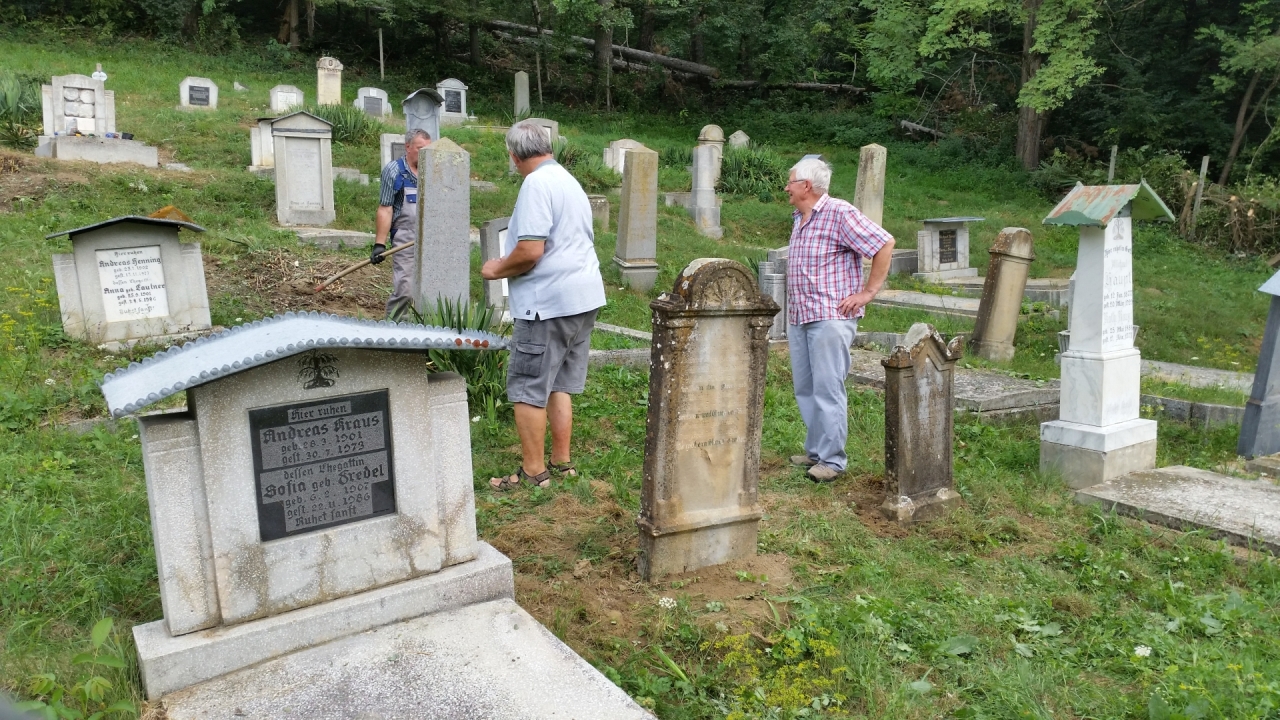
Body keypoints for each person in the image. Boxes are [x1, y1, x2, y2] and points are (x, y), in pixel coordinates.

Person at [482, 121, 607, 491]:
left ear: (513, 156)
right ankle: (562, 464)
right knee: (558, 383)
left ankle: (534, 473)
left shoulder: (535, 184)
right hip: (583, 297)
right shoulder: (568, 180)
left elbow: (530, 251)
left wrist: (496, 269)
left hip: (548, 303)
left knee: (528, 386)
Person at [784, 157, 895, 482]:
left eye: (790, 182)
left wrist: (868, 292)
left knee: (827, 387)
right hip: (801, 315)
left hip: (830, 316)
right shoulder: (800, 217)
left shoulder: (839, 212)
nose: (786, 187)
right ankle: (816, 451)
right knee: (806, 388)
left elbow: (884, 243)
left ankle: (832, 461)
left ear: (806, 186)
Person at [371, 129, 432, 319]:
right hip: (405, 238)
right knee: (405, 289)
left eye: (428, 150)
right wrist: (379, 244)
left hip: (431, 238)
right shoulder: (394, 171)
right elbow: (385, 208)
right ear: (408, 147)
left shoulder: (434, 170)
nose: (425, 154)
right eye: (420, 149)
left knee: (431, 290)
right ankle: (394, 326)